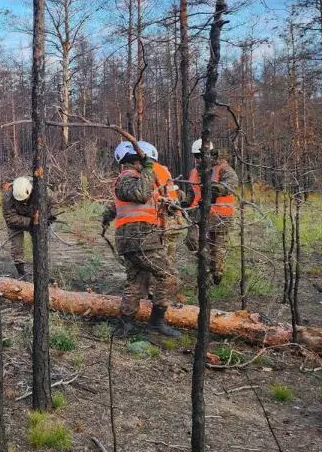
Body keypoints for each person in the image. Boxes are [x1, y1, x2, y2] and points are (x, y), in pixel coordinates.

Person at [101, 141, 180, 338]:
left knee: (137, 282)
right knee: (167, 275)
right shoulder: (127, 178)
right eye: (146, 161)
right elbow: (141, 194)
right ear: (136, 159)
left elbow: (143, 199)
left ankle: (125, 325)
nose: (150, 165)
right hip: (140, 238)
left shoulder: (135, 179)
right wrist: (148, 168)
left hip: (138, 238)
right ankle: (156, 322)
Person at [185, 139, 239, 285]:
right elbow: (191, 194)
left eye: (200, 155)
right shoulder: (194, 172)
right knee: (192, 241)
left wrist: (214, 189)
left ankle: (216, 276)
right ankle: (205, 268)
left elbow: (232, 183)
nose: (198, 159)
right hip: (199, 215)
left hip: (221, 215)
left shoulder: (223, 168)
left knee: (217, 248)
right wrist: (183, 202)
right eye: (196, 156)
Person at [139, 141, 186, 267]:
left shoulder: (148, 171)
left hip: (162, 220)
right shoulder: (163, 169)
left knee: (161, 260)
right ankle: (168, 279)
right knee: (169, 256)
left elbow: (146, 194)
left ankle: (167, 282)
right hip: (174, 218)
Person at [1, 176, 57, 281]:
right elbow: (10, 218)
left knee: (40, 243)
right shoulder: (7, 195)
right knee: (17, 246)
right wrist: (31, 222)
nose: (22, 202)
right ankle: (21, 272)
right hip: (16, 222)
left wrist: (50, 217)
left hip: (36, 217)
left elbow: (53, 203)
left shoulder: (41, 189)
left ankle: (42, 270)